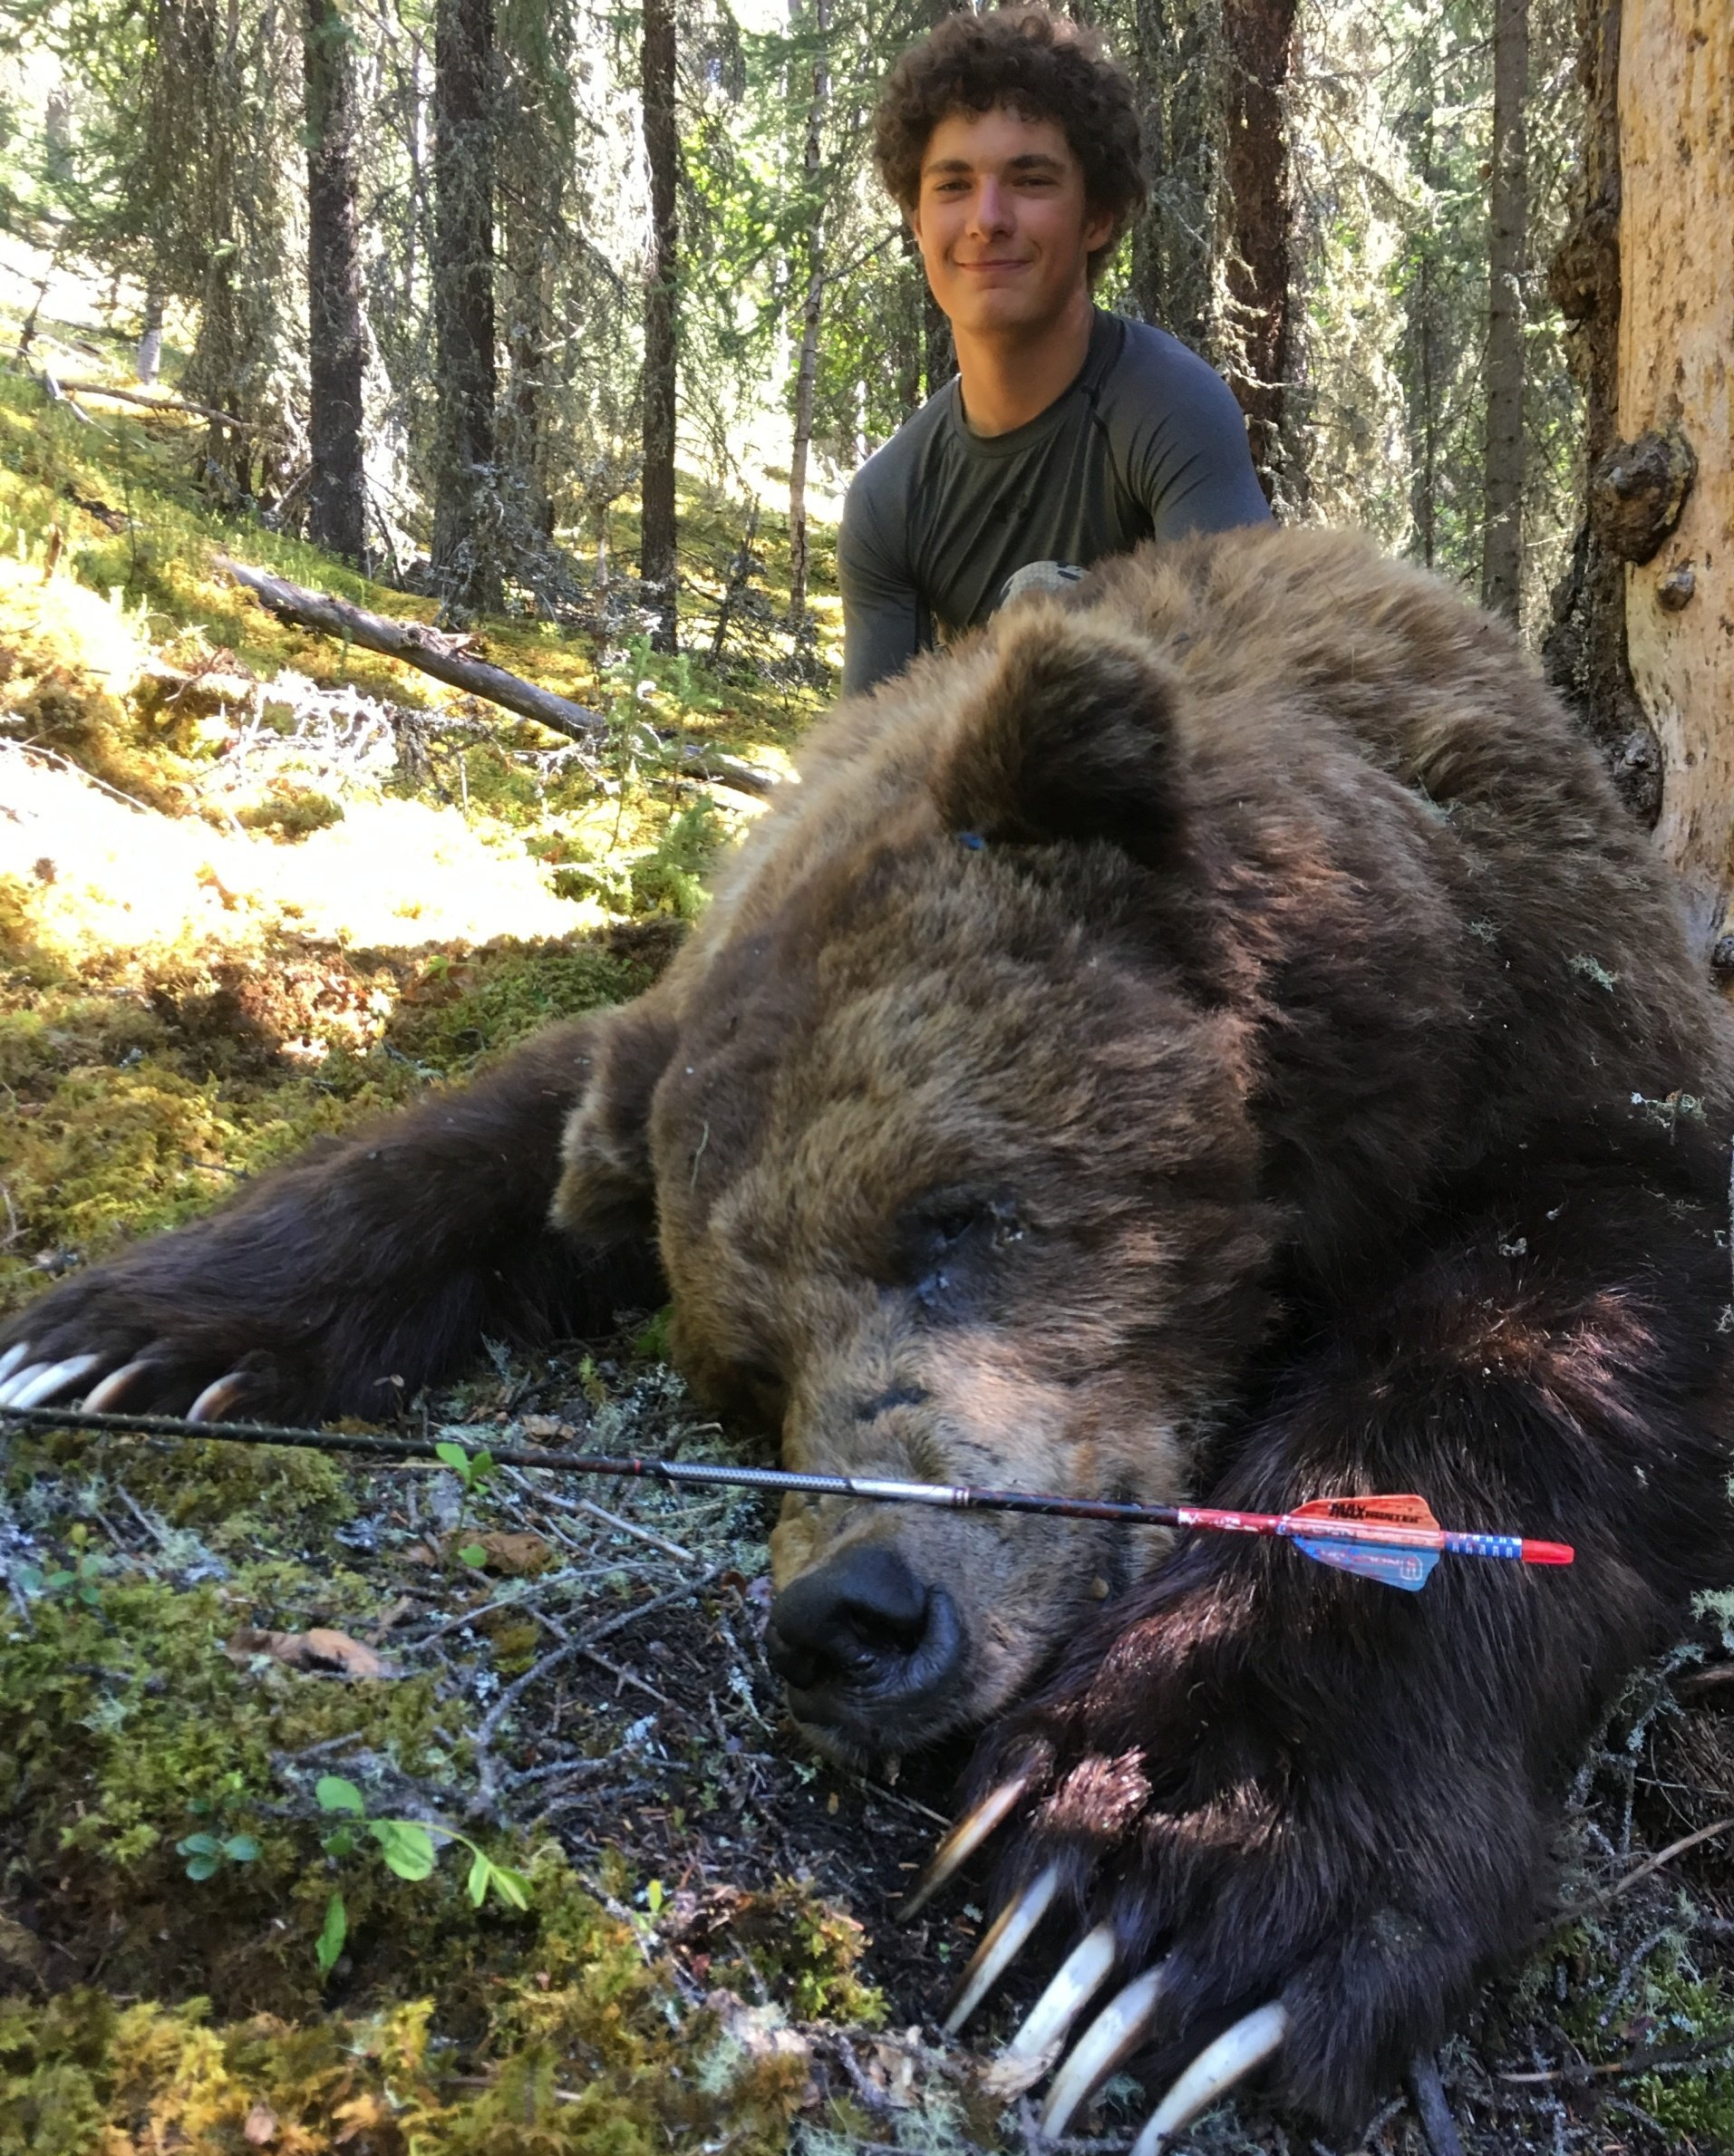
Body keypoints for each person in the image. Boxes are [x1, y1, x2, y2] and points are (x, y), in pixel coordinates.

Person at [840, 5, 1272, 698]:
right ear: (917, 223)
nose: (986, 220)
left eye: (1030, 180)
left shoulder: (1167, 409)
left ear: (1096, 216)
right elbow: (865, 769)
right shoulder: (889, 502)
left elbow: (1252, 682)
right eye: (953, 185)